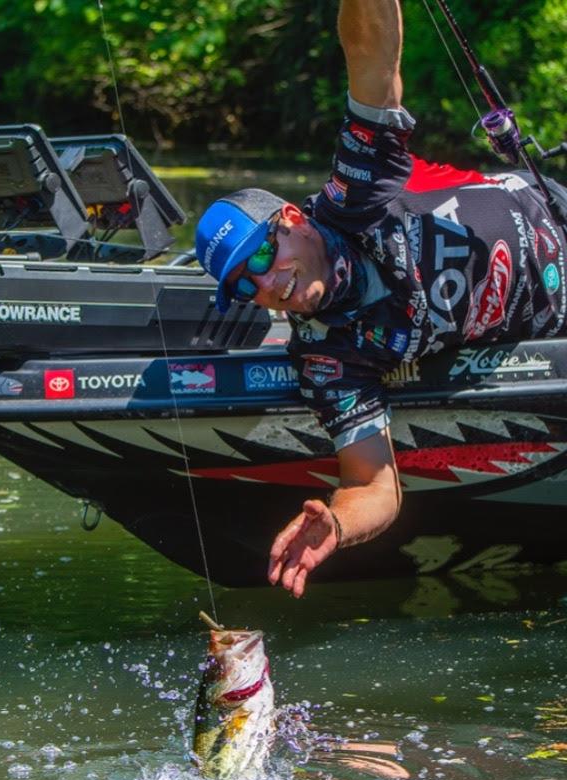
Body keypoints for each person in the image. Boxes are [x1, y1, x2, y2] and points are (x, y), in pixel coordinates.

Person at [194, 0, 567, 598]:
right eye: (243, 285)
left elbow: (371, 61)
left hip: (554, 214)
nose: (265, 285)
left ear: (293, 221)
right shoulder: (328, 358)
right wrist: (339, 523)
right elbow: (375, 486)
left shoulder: (355, 192)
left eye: (262, 256)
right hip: (557, 322)